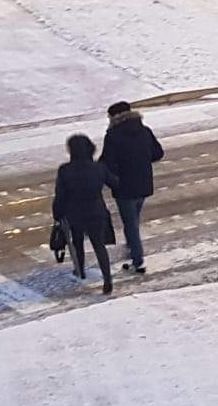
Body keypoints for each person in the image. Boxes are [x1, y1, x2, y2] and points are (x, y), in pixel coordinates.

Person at [99, 101, 164, 275]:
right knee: (133, 219)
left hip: (124, 187)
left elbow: (107, 162)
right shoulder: (144, 130)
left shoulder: (113, 135)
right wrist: (141, 160)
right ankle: (131, 247)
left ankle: (138, 261)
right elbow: (158, 153)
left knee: (131, 224)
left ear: (115, 117)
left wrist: (109, 178)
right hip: (143, 184)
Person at [52, 133, 117, 295]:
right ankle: (107, 278)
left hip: (74, 212)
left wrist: (57, 214)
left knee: (77, 241)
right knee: (99, 245)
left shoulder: (65, 170)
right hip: (96, 210)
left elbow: (60, 195)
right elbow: (114, 182)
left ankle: (80, 269)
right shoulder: (99, 168)